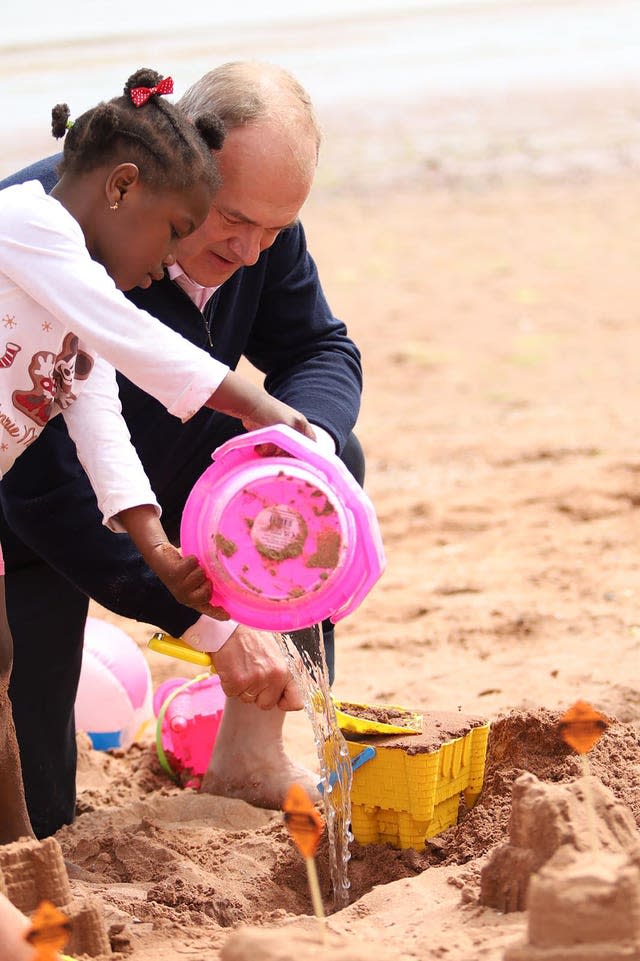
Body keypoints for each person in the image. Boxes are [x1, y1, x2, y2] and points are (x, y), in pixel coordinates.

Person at [0, 61, 364, 839]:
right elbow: (50, 486)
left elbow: (321, 349)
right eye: (231, 220)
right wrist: (208, 626)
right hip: (28, 520)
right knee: (37, 817)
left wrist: (299, 448)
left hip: (146, 468)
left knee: (319, 468)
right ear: (175, 171)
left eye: (277, 229)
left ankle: (250, 753)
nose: (254, 252)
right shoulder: (44, 234)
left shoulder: (258, 233)